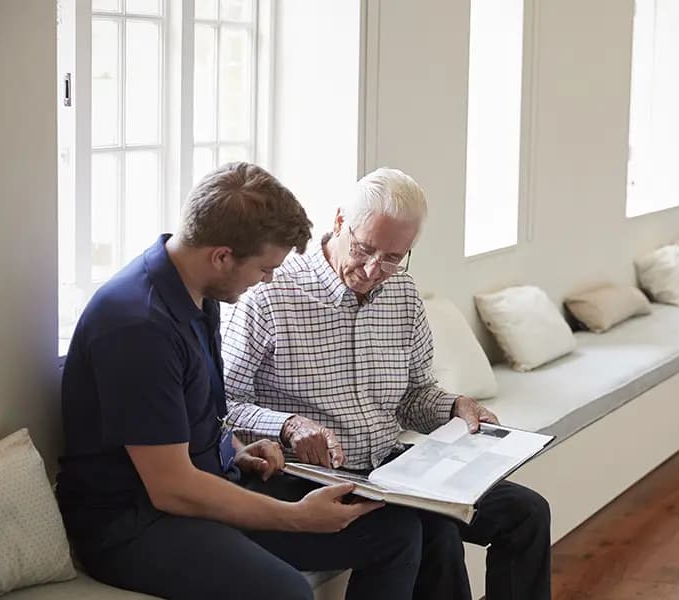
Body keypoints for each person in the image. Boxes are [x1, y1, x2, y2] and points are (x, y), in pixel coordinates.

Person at [55, 163, 423, 600]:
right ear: (222, 256)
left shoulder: (200, 292)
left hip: (201, 485)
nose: (267, 280)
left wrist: (235, 449)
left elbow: (197, 416)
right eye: (264, 268)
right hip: (134, 523)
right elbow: (171, 488)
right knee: (285, 592)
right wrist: (295, 516)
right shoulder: (137, 324)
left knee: (395, 532)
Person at [221, 167, 552, 600]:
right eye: (364, 249)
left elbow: (415, 393)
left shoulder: (403, 294)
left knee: (526, 513)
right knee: (434, 531)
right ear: (339, 221)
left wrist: (454, 408)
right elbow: (226, 404)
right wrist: (290, 425)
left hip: (392, 469)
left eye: (394, 257)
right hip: (306, 478)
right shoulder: (269, 294)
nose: (375, 269)